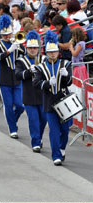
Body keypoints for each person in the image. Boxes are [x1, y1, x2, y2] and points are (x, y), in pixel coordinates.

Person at [33, 31, 72, 166]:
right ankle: (55, 155)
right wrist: (48, 83)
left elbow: (69, 83)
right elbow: (36, 83)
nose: (53, 54)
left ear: (58, 51)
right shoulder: (41, 67)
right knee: (54, 130)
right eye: (50, 52)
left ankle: (61, 148)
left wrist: (66, 76)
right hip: (49, 101)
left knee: (65, 130)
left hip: (63, 100)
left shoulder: (65, 64)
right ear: (46, 53)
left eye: (54, 52)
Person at [0, 14, 25, 139]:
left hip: (16, 78)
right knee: (9, 105)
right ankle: (12, 129)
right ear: (1, 34)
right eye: (5, 35)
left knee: (20, 105)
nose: (7, 37)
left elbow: (25, 53)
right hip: (4, 79)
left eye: (9, 34)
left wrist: (19, 46)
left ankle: (13, 121)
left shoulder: (15, 42)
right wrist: (9, 51)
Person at [15, 30, 47, 153]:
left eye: (35, 48)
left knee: (43, 119)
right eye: (30, 48)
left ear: (38, 48)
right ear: (26, 48)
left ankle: (38, 137)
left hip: (42, 95)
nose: (33, 50)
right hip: (29, 95)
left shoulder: (44, 59)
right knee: (33, 120)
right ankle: (35, 142)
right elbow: (18, 75)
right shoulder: (21, 61)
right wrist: (29, 71)